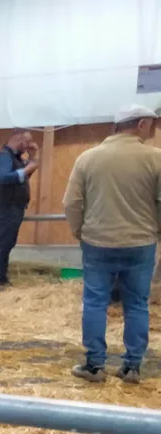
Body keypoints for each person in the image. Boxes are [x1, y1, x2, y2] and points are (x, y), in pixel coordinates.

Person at [63, 104, 161, 384]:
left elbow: (71, 202)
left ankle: (95, 365)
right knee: (137, 304)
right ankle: (132, 367)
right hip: (141, 243)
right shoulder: (156, 159)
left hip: (98, 242)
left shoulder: (87, 159)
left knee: (95, 302)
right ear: (141, 124)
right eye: (151, 124)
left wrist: (79, 230)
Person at [0, 128, 41, 289]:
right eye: (27, 141)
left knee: (8, 243)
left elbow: (23, 176)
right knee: (3, 244)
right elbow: (3, 178)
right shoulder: (3, 157)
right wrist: (28, 168)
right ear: (18, 139)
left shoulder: (15, 158)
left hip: (13, 207)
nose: (28, 145)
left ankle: (1, 277)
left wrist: (34, 158)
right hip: (5, 206)